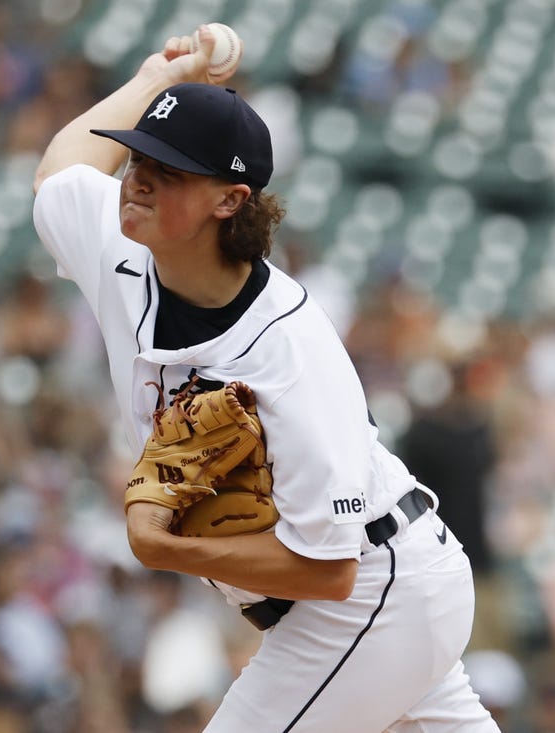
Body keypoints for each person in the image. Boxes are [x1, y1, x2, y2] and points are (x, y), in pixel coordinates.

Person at [31, 25, 497, 732]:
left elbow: (330, 569)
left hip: (369, 593)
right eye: (137, 159)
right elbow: (58, 174)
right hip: (367, 600)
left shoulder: (289, 350)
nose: (139, 178)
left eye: (172, 171)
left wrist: (171, 548)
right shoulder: (125, 248)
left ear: (229, 201)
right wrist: (156, 77)